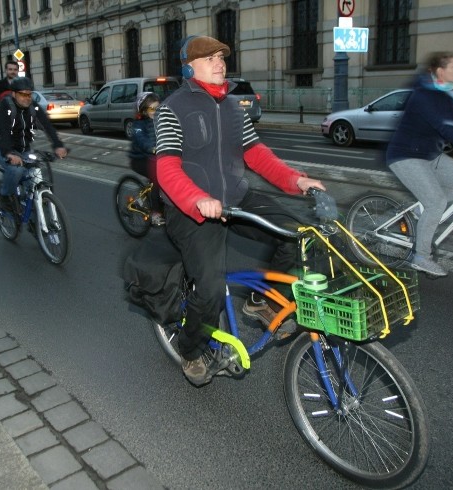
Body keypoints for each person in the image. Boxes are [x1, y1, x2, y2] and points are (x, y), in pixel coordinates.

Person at [154, 36, 325, 386]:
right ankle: (190, 350)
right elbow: (167, 168)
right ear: (189, 66)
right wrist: (196, 199)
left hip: (235, 198)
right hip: (191, 209)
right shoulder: (173, 108)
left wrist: (297, 181)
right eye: (210, 58)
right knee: (211, 289)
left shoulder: (233, 106)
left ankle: (260, 302)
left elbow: (256, 154)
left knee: (297, 236)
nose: (220, 63)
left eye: (221, 57)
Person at [386, 51, 453, 277]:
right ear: (440, 71)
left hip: (430, 155)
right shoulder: (423, 96)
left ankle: (422, 208)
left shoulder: (444, 96)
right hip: (405, 156)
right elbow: (442, 126)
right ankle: (421, 257)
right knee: (437, 202)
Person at [0, 77, 67, 211]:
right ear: (14, 94)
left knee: (38, 170)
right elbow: (3, 133)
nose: (27, 98)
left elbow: (47, 126)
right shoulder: (5, 106)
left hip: (24, 149)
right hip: (1, 147)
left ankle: (31, 207)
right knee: (16, 170)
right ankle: (4, 196)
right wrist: (9, 153)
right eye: (23, 94)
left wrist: (58, 145)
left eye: (29, 94)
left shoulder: (33, 107)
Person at [128, 91, 165, 226]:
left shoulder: (161, 121)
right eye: (152, 109)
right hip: (140, 159)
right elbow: (142, 140)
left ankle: (143, 199)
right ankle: (155, 213)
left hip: (156, 158)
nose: (156, 111)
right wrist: (152, 148)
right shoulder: (138, 125)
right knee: (157, 181)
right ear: (143, 110)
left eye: (158, 108)